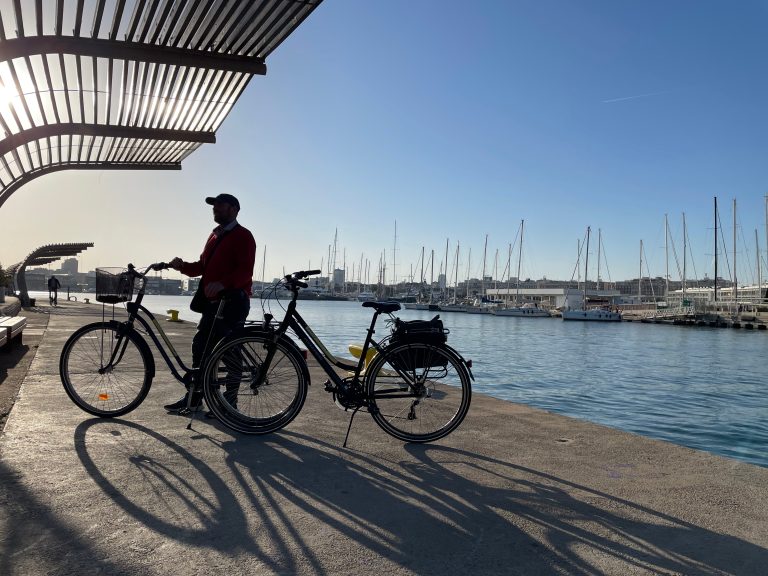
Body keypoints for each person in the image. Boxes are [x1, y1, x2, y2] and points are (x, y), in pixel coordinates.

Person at [164, 193, 256, 414]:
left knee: (230, 352)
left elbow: (245, 272)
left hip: (234, 302)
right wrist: (182, 266)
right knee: (200, 348)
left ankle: (229, 403)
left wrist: (223, 284)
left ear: (234, 209)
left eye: (220, 206)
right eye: (213, 206)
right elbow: (202, 267)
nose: (215, 209)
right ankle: (195, 397)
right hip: (213, 304)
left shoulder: (243, 236)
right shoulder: (214, 236)